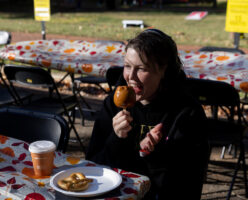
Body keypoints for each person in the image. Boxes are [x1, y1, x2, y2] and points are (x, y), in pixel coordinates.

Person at [86, 29, 209, 199]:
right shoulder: (113, 105)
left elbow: (188, 184)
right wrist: (116, 138)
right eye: (127, 66)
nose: (131, 77)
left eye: (142, 69)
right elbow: (93, 165)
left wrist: (151, 154)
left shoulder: (186, 113)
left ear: (164, 71)